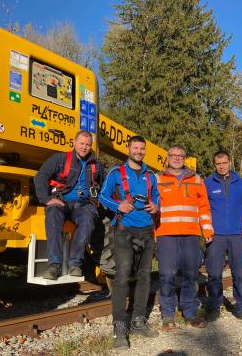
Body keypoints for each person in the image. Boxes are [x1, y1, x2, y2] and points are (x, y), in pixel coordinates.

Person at [99, 135, 159, 349]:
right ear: (128, 149)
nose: (139, 151)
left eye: (142, 149)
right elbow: (102, 196)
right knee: (122, 276)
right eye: (135, 148)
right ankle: (119, 328)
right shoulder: (115, 173)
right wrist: (118, 206)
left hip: (146, 230)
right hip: (124, 230)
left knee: (144, 277)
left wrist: (156, 206)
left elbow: (158, 197)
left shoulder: (150, 175)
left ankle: (138, 321)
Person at [155, 145, 213, 330]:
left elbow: (204, 207)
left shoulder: (196, 179)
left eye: (180, 156)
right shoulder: (157, 179)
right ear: (168, 157)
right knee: (166, 275)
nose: (176, 158)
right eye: (173, 155)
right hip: (165, 234)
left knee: (190, 274)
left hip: (190, 234)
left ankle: (190, 312)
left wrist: (207, 230)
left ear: (185, 158)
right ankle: (168, 315)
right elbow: (152, 208)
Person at [34, 130, 105, 280]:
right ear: (74, 143)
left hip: (83, 205)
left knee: (88, 218)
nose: (84, 147)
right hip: (61, 201)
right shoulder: (59, 159)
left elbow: (105, 186)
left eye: (87, 144)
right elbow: (41, 176)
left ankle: (75, 264)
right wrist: (46, 200)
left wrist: (100, 203)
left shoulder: (97, 165)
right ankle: (54, 265)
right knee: (53, 214)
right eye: (81, 143)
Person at [204, 150, 242, 323]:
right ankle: (214, 307)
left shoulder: (240, 183)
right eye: (218, 164)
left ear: (230, 163)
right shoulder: (207, 183)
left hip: (236, 234)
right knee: (214, 273)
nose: (221, 166)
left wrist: (234, 220)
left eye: (224, 163)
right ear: (215, 165)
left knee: (240, 273)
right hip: (216, 236)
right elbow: (204, 207)